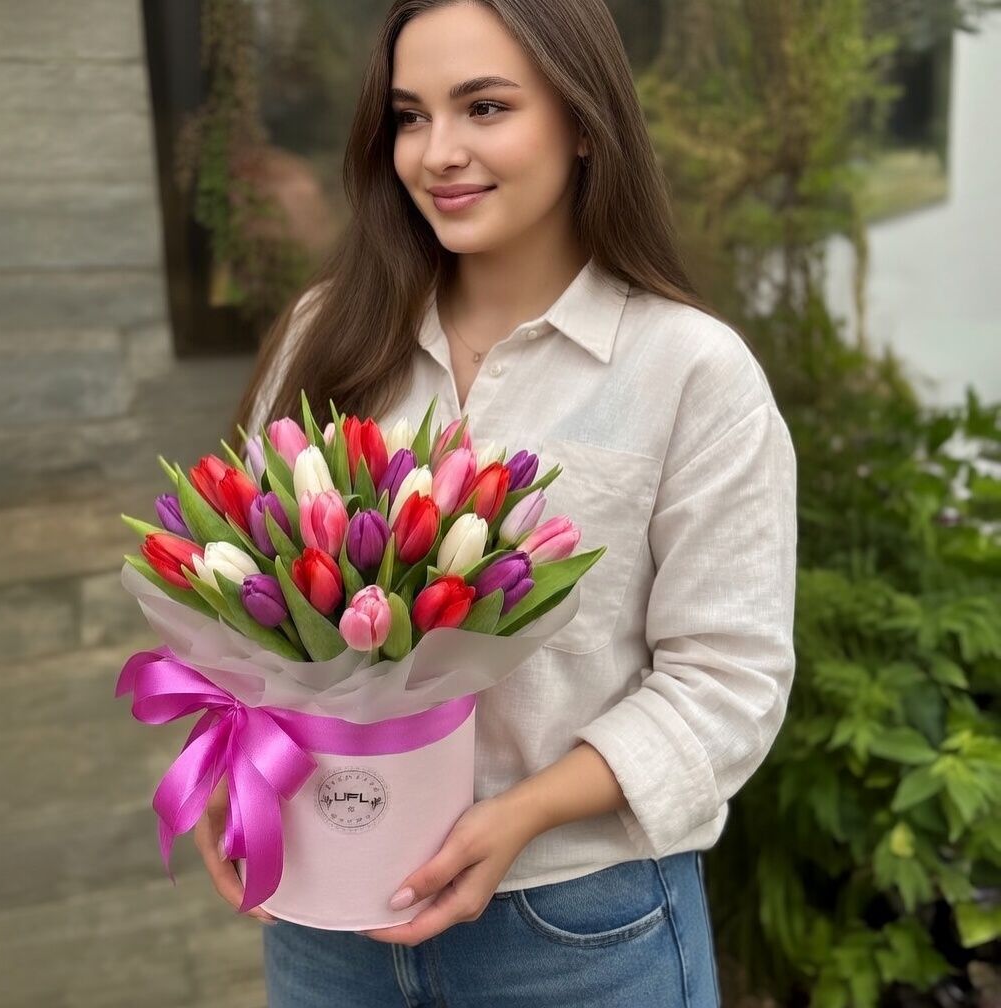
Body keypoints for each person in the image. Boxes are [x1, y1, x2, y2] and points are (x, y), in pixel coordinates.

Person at [195, 1, 797, 1004]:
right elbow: (245, 595)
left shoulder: (688, 370)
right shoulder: (326, 332)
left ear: (583, 122)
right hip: (326, 915)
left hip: (577, 931)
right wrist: (228, 760)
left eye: (484, 107)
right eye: (410, 116)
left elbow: (728, 682)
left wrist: (522, 814)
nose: (438, 152)